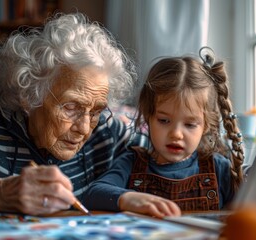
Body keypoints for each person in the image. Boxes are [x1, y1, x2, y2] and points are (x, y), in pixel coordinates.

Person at [0, 12, 147, 215]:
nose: (85, 128)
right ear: (30, 96)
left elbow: (167, 150)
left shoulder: (105, 130)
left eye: (96, 111)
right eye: (71, 107)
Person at [83, 47, 245, 218]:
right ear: (148, 117)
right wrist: (128, 198)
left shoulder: (219, 168)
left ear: (205, 126)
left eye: (189, 124)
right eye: (164, 121)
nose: (176, 134)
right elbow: (93, 194)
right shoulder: (131, 163)